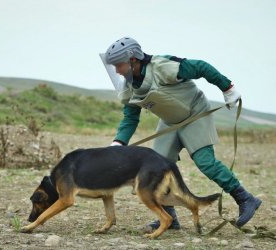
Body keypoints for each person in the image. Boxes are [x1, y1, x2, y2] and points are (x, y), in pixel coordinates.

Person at [100, 37, 262, 232]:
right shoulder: (128, 88)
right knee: (156, 168)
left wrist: (227, 88)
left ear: (133, 59)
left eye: (119, 65)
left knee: (206, 163)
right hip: (170, 122)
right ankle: (170, 219)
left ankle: (246, 199)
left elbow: (201, 67)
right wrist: (118, 143)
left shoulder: (163, 67)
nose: (117, 71)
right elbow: (130, 119)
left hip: (195, 113)